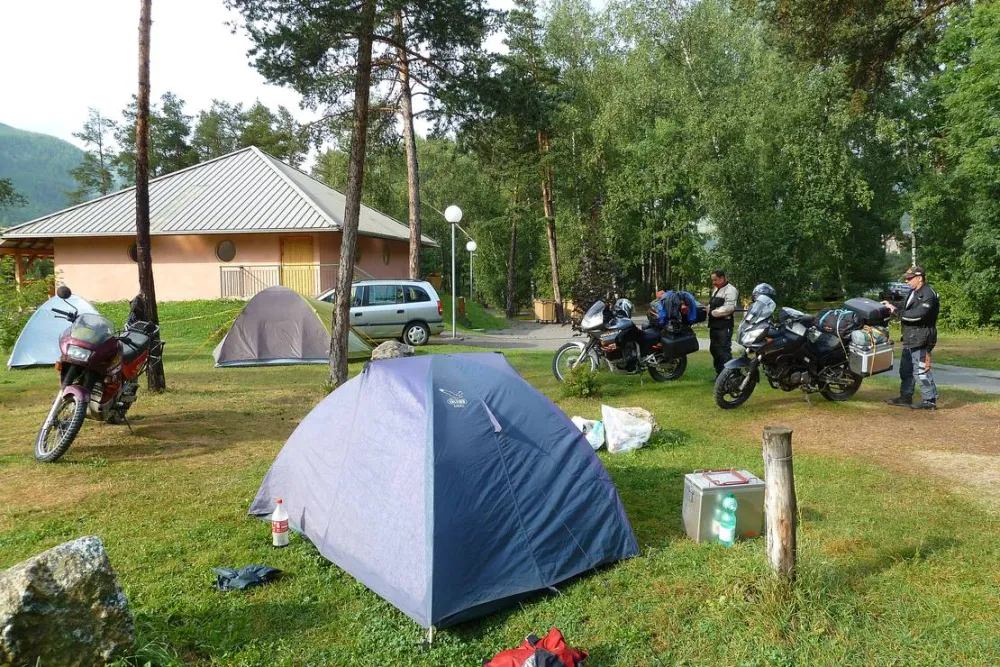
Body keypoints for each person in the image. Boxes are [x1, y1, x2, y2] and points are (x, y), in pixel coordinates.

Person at [883, 266, 940, 410]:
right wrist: (890, 305)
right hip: (910, 337)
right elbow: (905, 306)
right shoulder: (914, 292)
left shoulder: (928, 294)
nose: (907, 281)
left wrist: (895, 311)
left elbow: (917, 315)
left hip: (923, 337)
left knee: (921, 370)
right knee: (906, 369)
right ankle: (905, 397)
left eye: (910, 278)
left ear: (920, 278)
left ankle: (930, 400)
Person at [708, 269, 738, 377]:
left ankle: (729, 376)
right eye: (713, 280)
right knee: (714, 350)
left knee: (723, 351)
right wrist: (707, 309)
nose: (714, 282)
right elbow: (712, 304)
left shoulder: (731, 290)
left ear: (722, 278)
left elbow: (729, 308)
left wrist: (712, 312)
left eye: (715, 280)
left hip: (724, 326)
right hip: (714, 326)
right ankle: (719, 375)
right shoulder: (717, 289)